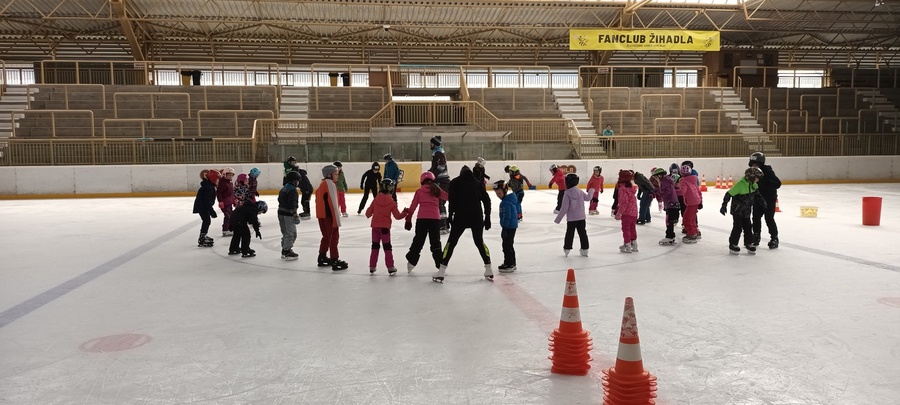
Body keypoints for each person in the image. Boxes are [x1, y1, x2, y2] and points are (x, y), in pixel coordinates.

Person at [433, 166, 492, 283]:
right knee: (479, 242)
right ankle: (489, 269)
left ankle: (441, 271)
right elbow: (487, 200)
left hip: (460, 217)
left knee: (451, 243)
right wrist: (487, 218)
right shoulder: (477, 183)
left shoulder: (455, 182)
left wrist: (449, 217)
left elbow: (452, 201)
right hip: (476, 216)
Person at [404, 171, 448, 273]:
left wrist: (408, 219)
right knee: (435, 242)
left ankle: (411, 262)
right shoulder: (437, 190)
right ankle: (439, 263)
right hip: (435, 220)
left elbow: (413, 207)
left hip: (422, 220)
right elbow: (448, 197)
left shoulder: (419, 192)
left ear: (422, 181)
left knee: (418, 241)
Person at [365, 178, 408, 275]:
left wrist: (371, 210)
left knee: (375, 247)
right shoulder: (392, 203)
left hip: (375, 228)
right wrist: (405, 212)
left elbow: (368, 214)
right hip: (385, 228)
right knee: (387, 247)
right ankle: (390, 267)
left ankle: (372, 266)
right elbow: (397, 216)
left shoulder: (375, 200)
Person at [721, 167, 764, 255]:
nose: (758, 180)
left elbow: (757, 195)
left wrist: (763, 202)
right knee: (737, 227)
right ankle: (733, 244)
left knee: (748, 227)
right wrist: (724, 205)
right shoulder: (740, 185)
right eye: (757, 178)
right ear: (751, 177)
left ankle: (749, 243)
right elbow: (728, 194)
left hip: (747, 210)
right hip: (737, 211)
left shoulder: (754, 185)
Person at [315, 164, 348, 271]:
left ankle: (322, 257)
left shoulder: (323, 184)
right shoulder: (330, 184)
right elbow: (333, 203)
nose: (337, 176)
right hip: (329, 216)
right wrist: (336, 221)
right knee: (334, 237)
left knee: (326, 236)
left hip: (322, 215)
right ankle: (335, 260)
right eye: (336, 174)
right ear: (329, 174)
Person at [554, 173, 594, 257]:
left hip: (572, 219)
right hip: (581, 218)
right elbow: (588, 198)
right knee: (583, 233)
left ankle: (567, 248)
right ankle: (585, 249)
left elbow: (564, 208)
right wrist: (591, 190)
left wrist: (558, 219)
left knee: (570, 233)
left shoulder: (567, 194)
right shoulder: (580, 191)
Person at [749, 152, 782, 249]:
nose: (754, 166)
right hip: (757, 198)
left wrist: (764, 180)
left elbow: (777, 183)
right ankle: (756, 236)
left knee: (769, 218)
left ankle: (774, 238)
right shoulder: (751, 172)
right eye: (753, 164)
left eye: (756, 164)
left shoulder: (767, 171)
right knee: (755, 218)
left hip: (769, 199)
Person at [493, 180, 519, 273]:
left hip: (508, 227)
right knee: (509, 245)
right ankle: (511, 263)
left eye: (499, 193)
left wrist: (504, 228)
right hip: (511, 226)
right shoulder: (508, 200)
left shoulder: (505, 203)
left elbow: (506, 216)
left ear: (505, 191)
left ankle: (509, 264)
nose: (498, 195)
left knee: (507, 246)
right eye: (496, 194)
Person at [652, 167, 681, 246]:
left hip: (671, 204)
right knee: (669, 221)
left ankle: (669, 236)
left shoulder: (665, 181)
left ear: (660, 175)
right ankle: (670, 236)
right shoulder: (668, 180)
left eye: (656, 177)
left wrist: (659, 192)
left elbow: (666, 192)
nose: (656, 179)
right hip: (672, 203)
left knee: (669, 221)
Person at [612, 170, 639, 253]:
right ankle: (634, 243)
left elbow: (624, 202)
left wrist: (619, 212)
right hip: (634, 212)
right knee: (632, 228)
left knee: (626, 228)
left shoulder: (622, 189)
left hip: (627, 213)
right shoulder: (631, 188)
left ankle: (627, 244)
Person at [428, 136, 451, 233]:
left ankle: (443, 225)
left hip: (442, 181)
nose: (430, 145)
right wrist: (429, 173)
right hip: (440, 180)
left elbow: (441, 166)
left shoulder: (439, 153)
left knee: (439, 202)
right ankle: (442, 224)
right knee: (438, 202)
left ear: (435, 144)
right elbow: (435, 167)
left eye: (431, 143)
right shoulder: (436, 153)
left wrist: (433, 175)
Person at [277, 171, 301, 261]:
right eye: (298, 181)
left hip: (280, 212)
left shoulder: (284, 188)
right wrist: (294, 214)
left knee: (285, 232)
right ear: (294, 181)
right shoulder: (292, 190)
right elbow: (292, 203)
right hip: (288, 214)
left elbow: (279, 199)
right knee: (291, 233)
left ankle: (285, 249)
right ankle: (287, 251)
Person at [193, 169, 218, 247]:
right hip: (202, 206)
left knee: (207, 221)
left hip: (203, 206)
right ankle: (202, 237)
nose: (218, 181)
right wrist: (211, 211)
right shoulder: (208, 187)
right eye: (217, 179)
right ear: (213, 179)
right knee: (206, 221)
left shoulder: (209, 186)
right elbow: (207, 201)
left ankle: (203, 235)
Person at [679, 164, 703, 244]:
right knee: (691, 218)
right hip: (696, 201)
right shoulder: (693, 179)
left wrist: (674, 192)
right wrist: (700, 201)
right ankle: (695, 231)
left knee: (686, 219)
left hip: (691, 202)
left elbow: (682, 191)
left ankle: (691, 234)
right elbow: (698, 191)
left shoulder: (684, 181)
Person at [216, 167, 236, 236]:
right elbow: (219, 192)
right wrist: (220, 201)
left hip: (229, 202)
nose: (230, 176)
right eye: (229, 175)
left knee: (231, 215)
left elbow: (231, 193)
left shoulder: (230, 182)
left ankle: (229, 229)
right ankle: (225, 230)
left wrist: (233, 200)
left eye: (231, 175)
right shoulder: (222, 183)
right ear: (225, 175)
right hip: (225, 203)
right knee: (228, 216)